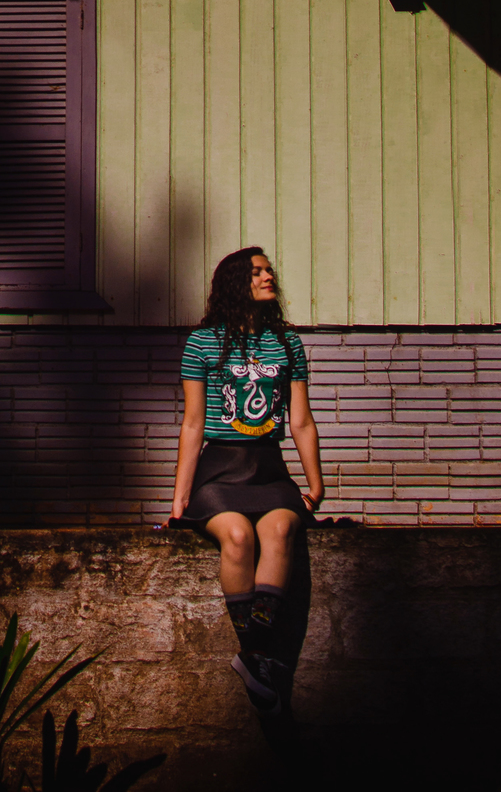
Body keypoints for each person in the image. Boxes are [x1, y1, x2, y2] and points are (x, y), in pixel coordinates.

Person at [170, 247, 325, 717]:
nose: (268, 276)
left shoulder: (287, 343)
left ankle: (252, 655)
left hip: (269, 468)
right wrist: (179, 500)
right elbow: (193, 424)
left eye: (269, 269)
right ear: (237, 282)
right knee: (237, 536)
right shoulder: (203, 343)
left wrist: (316, 485)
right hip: (219, 470)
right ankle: (259, 655)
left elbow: (300, 421)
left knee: (280, 530)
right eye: (257, 272)